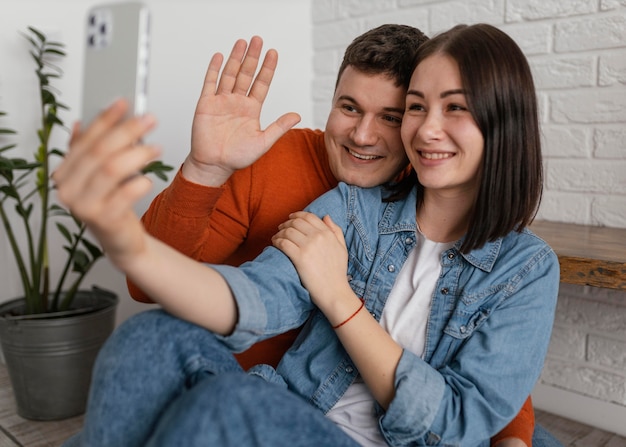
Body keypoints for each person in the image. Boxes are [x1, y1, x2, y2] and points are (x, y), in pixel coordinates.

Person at [54, 23, 560, 446]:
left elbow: (468, 406)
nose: (425, 129)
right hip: (279, 398)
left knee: (226, 407)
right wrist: (131, 245)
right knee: (149, 335)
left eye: (453, 107)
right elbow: (250, 296)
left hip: (308, 420)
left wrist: (338, 297)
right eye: (417, 107)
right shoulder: (350, 207)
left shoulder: (526, 268)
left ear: (503, 123)